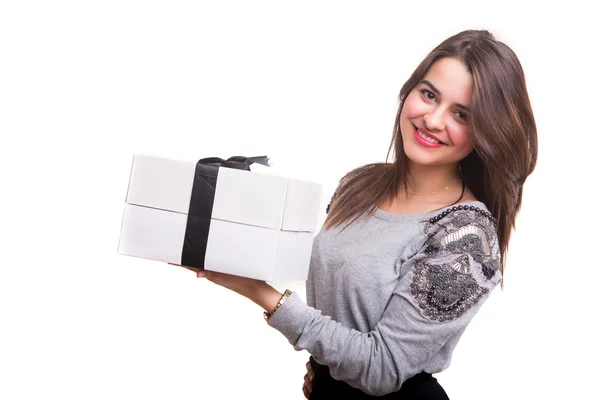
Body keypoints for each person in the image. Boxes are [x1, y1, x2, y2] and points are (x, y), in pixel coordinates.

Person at [190, 29, 538, 399]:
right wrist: (320, 369)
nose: (433, 120)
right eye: (429, 94)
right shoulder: (360, 184)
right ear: (409, 91)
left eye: (461, 114)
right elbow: (338, 303)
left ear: (486, 131)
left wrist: (261, 293)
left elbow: (382, 368)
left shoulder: (467, 237)